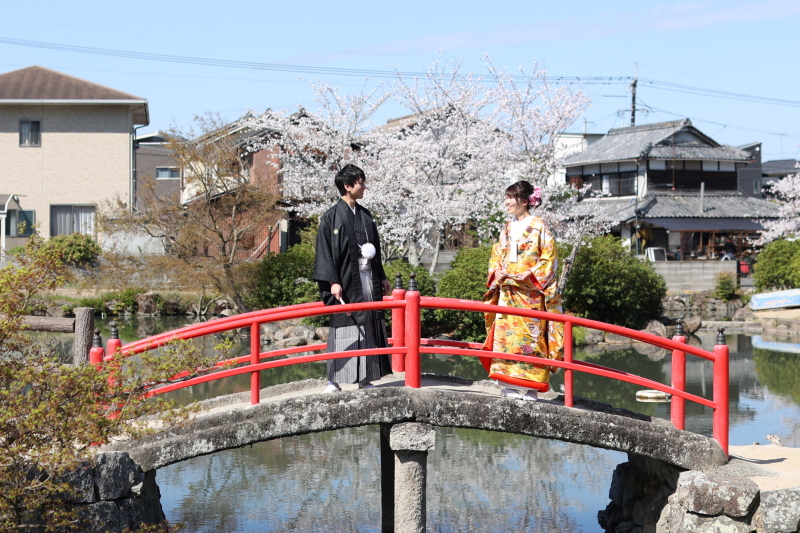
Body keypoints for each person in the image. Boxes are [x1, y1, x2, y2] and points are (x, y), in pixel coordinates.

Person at [312, 164, 392, 393]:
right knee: (344, 327)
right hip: (345, 281)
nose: (364, 186)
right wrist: (332, 282)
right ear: (347, 186)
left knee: (370, 324)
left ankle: (365, 379)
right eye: (360, 183)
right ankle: (333, 380)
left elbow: (375, 248)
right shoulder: (331, 217)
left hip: (368, 278)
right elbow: (324, 252)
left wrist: (382, 277)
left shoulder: (365, 215)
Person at [482, 180, 564, 401]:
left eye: (512, 197)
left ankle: (530, 387)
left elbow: (550, 258)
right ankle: (507, 384)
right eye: (507, 197)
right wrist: (497, 271)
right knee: (505, 338)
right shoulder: (507, 228)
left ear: (526, 200)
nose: (507, 202)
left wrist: (530, 274)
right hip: (507, 293)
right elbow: (496, 255)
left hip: (530, 294)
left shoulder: (539, 227)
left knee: (531, 338)